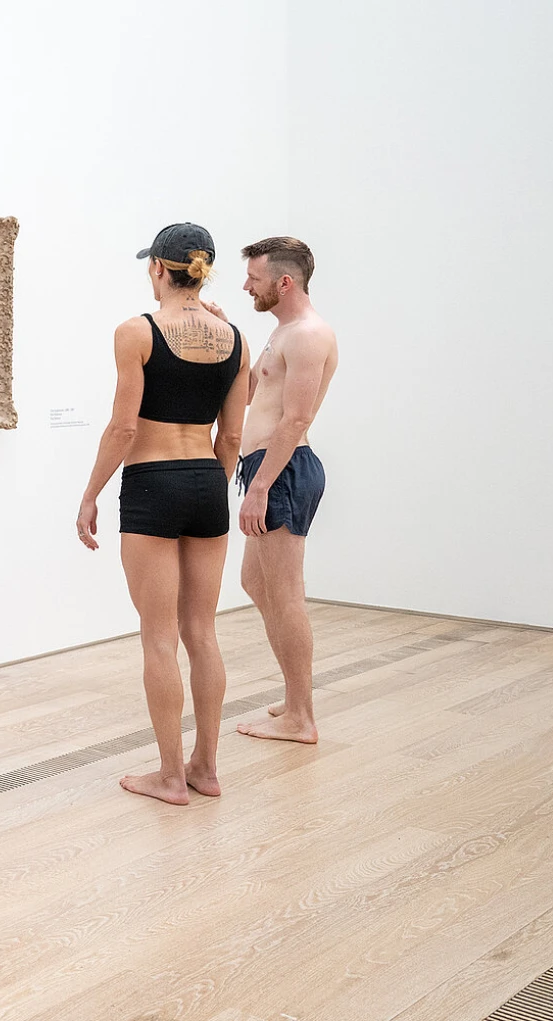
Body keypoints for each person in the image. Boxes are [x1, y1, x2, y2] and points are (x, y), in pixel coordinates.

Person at [76, 223, 250, 806]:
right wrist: (211, 488)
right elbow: (232, 437)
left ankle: (171, 776)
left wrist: (90, 493)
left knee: (159, 637)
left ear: (157, 268)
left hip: (153, 484)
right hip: (207, 483)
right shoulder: (236, 339)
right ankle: (206, 768)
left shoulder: (137, 332)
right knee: (202, 631)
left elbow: (124, 428)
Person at [221, 237, 339, 744]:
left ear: (284, 282)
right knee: (256, 582)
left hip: (282, 471)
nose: (247, 285)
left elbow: (296, 419)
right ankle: (295, 696)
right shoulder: (282, 332)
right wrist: (224, 332)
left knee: (286, 594)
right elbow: (249, 391)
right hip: (267, 470)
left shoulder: (308, 335)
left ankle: (301, 716)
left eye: (255, 278)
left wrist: (260, 488)